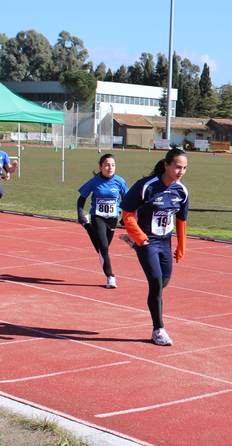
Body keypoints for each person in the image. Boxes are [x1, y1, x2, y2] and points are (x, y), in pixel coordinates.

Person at [120, 148, 189, 346]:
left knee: (164, 282)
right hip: (147, 240)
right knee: (156, 285)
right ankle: (158, 329)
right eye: (177, 167)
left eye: (184, 168)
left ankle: (132, 241)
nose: (180, 172)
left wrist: (181, 247)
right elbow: (127, 212)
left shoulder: (181, 190)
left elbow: (182, 221)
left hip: (164, 241)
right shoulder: (146, 186)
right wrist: (140, 238)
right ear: (166, 165)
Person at [76, 154, 129, 289]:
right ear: (100, 167)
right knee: (104, 248)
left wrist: (125, 217)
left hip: (112, 218)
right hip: (98, 217)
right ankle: (110, 277)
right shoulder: (94, 182)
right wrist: (80, 213)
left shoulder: (120, 181)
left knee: (101, 248)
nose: (110, 167)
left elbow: (127, 200)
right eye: (106, 165)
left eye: (112, 165)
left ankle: (87, 226)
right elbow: (81, 198)